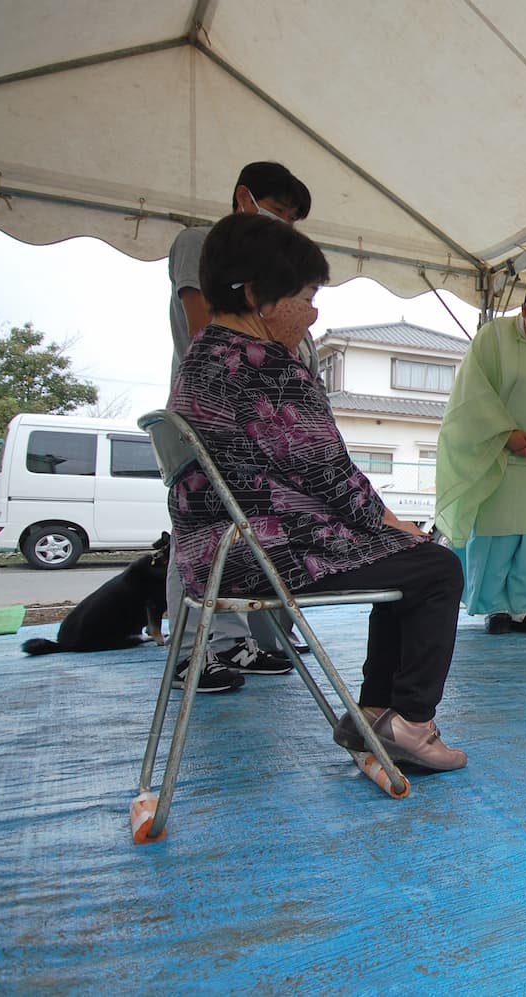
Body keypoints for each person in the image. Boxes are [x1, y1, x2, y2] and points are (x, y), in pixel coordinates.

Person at [168, 213, 468, 771]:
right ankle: (410, 723)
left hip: (210, 553)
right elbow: (327, 471)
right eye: (305, 296)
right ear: (257, 295)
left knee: (407, 564)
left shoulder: (202, 357)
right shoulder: (268, 367)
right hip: (263, 549)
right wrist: (386, 520)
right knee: (436, 566)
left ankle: (377, 715)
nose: (314, 312)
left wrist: (384, 529)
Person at [164, 161, 312, 692]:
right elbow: (209, 334)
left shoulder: (272, 274)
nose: (284, 225)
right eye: (277, 211)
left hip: (258, 430)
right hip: (210, 421)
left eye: (292, 220)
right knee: (203, 531)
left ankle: (237, 643)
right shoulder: (199, 242)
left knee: (245, 535)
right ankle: (191, 650)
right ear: (243, 197)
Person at [434, 260, 526, 635]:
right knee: (496, 535)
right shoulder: (493, 337)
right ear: (525, 309)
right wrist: (506, 434)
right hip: (497, 457)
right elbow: (473, 396)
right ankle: (493, 606)